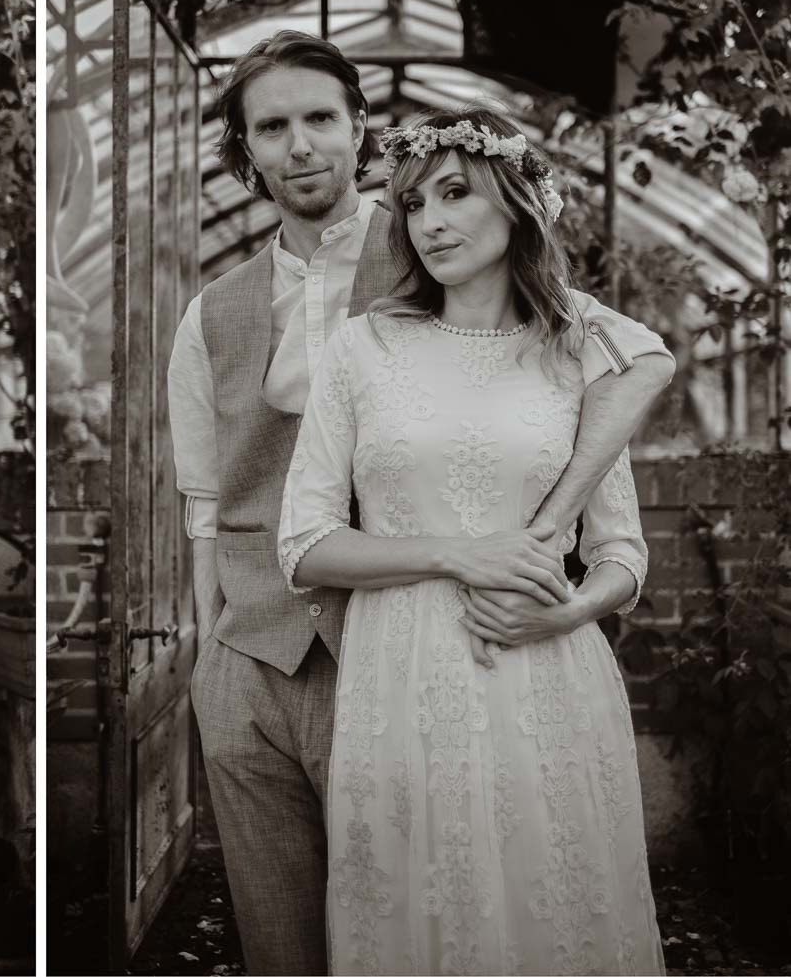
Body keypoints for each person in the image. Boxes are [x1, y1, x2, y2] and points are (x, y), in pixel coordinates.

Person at [166, 31, 675, 976]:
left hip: (399, 649)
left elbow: (635, 361)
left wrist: (542, 545)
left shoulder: (432, 270)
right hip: (260, 650)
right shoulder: (214, 312)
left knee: (487, 910)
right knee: (299, 941)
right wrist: (211, 658)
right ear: (246, 152)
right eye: (271, 127)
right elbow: (207, 498)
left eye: (321, 118)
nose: (301, 144)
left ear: (361, 130)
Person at [279, 106, 665, 974]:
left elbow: (622, 555)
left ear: (519, 201)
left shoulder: (575, 353)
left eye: (455, 194)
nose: (431, 222)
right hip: (401, 686)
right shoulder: (363, 348)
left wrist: (565, 613)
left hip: (547, 682)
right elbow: (302, 545)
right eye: (414, 204)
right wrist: (457, 554)